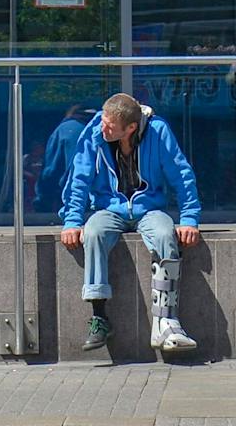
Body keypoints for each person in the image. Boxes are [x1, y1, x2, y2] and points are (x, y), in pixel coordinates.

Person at [60, 91, 202, 358]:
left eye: (110, 125)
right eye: (103, 120)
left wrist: (189, 219)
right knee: (93, 233)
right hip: (109, 207)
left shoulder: (158, 132)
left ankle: (166, 321)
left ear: (130, 128)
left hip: (149, 208)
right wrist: (72, 222)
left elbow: (181, 175)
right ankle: (99, 317)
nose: (104, 126)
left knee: (164, 234)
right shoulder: (95, 133)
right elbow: (79, 178)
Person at [36, 104, 91, 216]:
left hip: (72, 195)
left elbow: (51, 168)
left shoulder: (64, 130)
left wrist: (41, 198)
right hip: (105, 198)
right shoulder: (106, 128)